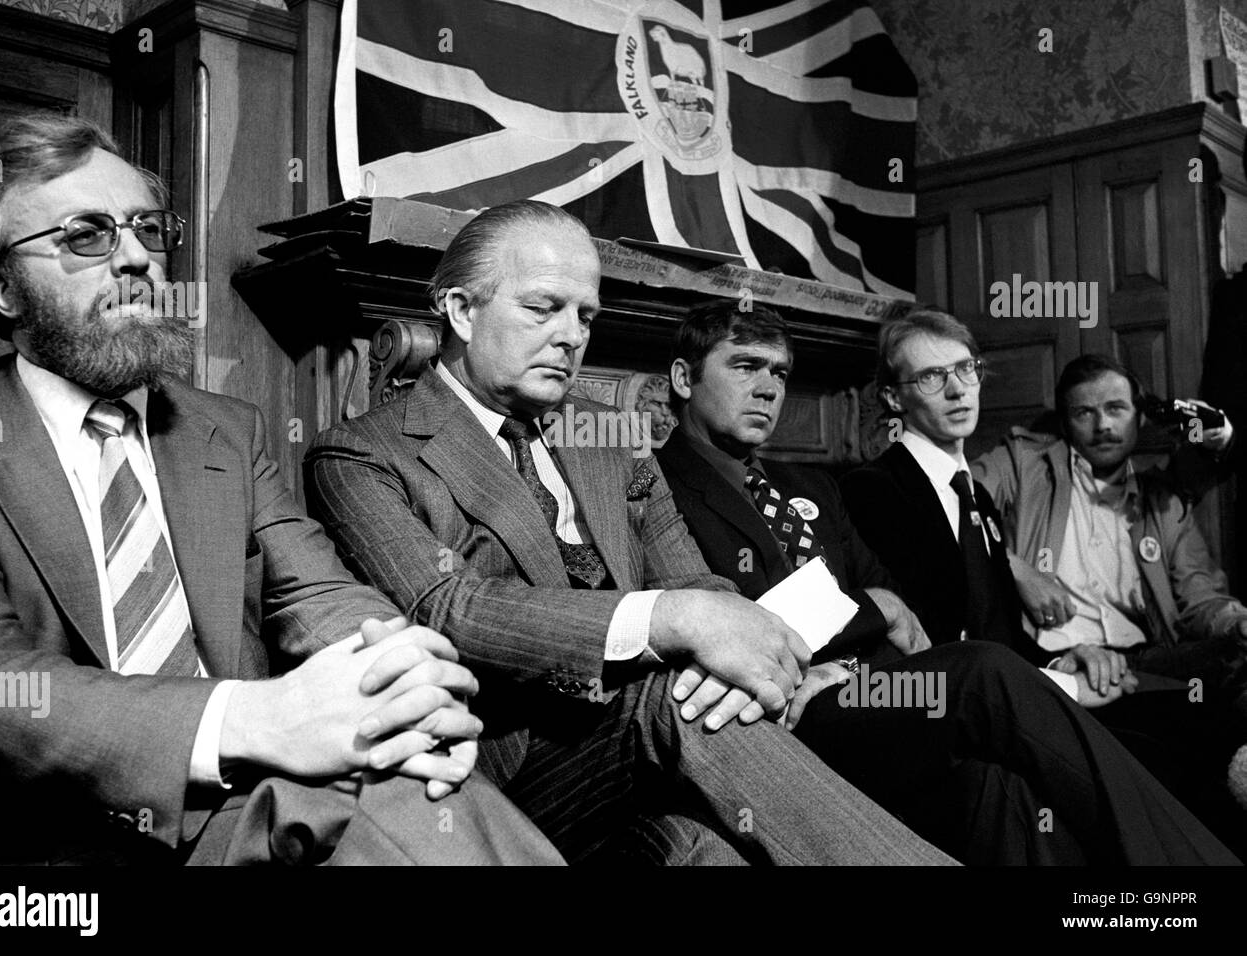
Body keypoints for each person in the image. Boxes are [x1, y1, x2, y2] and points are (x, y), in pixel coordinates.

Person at [0, 112, 562, 865]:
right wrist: (255, 718)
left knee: (419, 787)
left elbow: (316, 594)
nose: (137, 257)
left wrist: (401, 674)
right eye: (87, 236)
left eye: (146, 228)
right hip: (51, 833)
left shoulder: (225, 430)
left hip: (242, 805)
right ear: (2, 288)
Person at [304, 199, 957, 865]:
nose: (571, 336)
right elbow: (448, 611)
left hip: (640, 761)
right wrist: (671, 620)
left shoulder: (609, 437)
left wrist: (718, 644)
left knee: (700, 849)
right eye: (542, 307)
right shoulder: (360, 455)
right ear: (463, 311)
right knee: (673, 700)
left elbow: (697, 582)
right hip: (492, 778)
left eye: (584, 315)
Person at [655, 297, 1241, 864]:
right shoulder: (657, 489)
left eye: (780, 372)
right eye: (745, 367)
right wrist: (868, 615)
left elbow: (892, 603)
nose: (768, 388)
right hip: (794, 713)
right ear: (684, 377)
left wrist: (869, 625)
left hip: (874, 685)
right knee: (985, 672)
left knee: (1004, 785)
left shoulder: (809, 485)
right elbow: (744, 619)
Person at [840, 309, 1241, 861]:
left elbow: (997, 631)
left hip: (1033, 680)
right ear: (891, 398)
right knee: (1140, 761)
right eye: (932, 377)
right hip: (957, 709)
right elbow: (933, 648)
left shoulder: (972, 497)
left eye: (966, 369)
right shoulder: (877, 489)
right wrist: (1059, 683)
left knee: (1185, 735)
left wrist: (1064, 661)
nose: (958, 390)